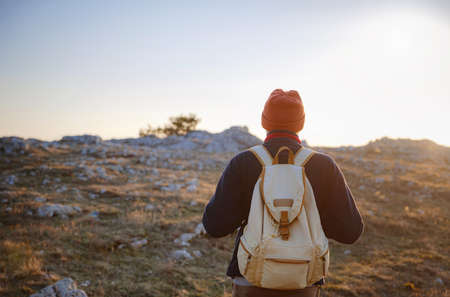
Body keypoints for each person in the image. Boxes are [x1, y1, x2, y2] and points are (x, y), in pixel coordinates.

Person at [202, 89, 364, 297]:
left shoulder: (243, 163)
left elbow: (214, 226)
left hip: (249, 279)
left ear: (264, 121)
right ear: (301, 123)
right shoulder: (324, 166)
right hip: (304, 279)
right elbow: (351, 232)